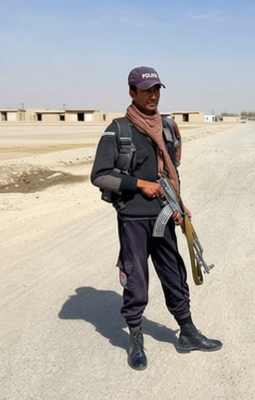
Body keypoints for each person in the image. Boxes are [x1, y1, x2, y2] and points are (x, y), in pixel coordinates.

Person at [90, 66, 222, 371]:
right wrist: (139, 184)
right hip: (133, 219)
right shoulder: (118, 129)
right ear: (131, 93)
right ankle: (135, 338)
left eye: (156, 90)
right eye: (146, 90)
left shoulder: (167, 127)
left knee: (175, 274)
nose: (153, 95)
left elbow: (170, 174)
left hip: (164, 215)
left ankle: (187, 332)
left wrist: (179, 205)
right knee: (136, 280)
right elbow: (99, 175)